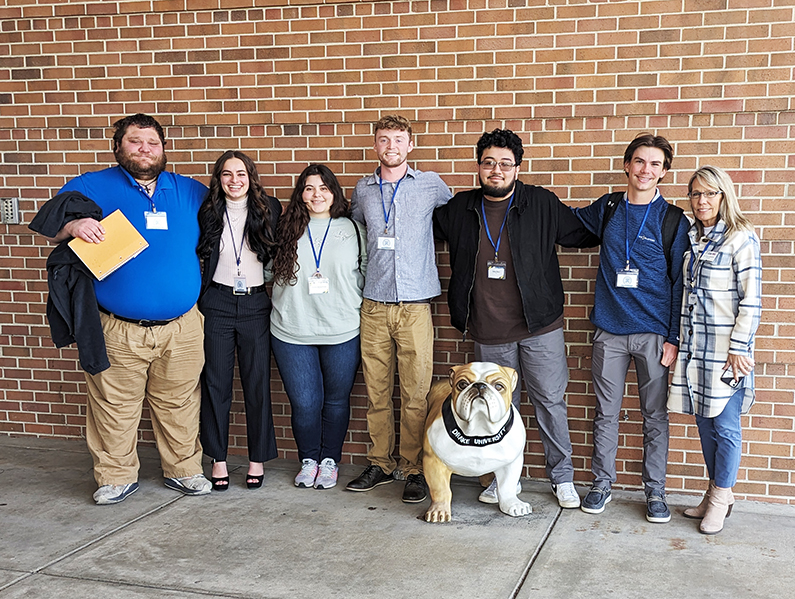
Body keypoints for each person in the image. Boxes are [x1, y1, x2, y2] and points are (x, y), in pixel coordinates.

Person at [30, 114, 211, 504]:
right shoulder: (90, 185)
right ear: (118, 147)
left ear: (164, 149)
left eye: (152, 142)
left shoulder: (191, 191)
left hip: (182, 327)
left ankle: (184, 469)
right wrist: (74, 226)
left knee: (179, 402)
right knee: (114, 405)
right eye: (135, 141)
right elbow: (50, 226)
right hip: (117, 326)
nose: (145, 149)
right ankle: (115, 476)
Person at [433, 129, 599, 509]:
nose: (496, 170)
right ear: (478, 166)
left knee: (550, 402)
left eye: (505, 164)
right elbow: (420, 226)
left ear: (517, 168)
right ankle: (500, 478)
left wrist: (619, 210)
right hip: (489, 331)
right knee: (495, 409)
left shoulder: (540, 203)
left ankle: (563, 477)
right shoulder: (460, 209)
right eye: (489, 162)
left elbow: (580, 232)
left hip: (540, 326)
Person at [574, 133, 690, 523]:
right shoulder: (607, 208)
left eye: (655, 164)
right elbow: (566, 223)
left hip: (654, 334)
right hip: (609, 330)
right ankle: (601, 483)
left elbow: (680, 284)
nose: (646, 170)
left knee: (654, 415)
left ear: (664, 172)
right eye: (640, 161)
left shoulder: (672, 219)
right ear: (627, 165)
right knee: (605, 413)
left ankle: (655, 491)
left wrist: (673, 338)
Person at [345, 115, 452, 503]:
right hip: (373, 305)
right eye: (383, 139)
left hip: (415, 306)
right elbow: (357, 231)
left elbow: (452, 221)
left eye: (398, 139)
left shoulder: (431, 185)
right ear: (375, 145)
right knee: (376, 391)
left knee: (415, 393)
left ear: (411, 145)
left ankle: (412, 468)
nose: (391, 145)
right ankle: (379, 462)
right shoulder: (363, 190)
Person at [668, 166, 762, 534]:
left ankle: (722, 497)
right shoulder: (694, 238)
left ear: (724, 196)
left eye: (710, 194)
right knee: (705, 426)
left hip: (728, 351)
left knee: (725, 427)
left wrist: (740, 346)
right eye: (695, 194)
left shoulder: (741, 238)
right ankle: (715, 492)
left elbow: (751, 301)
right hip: (696, 350)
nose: (702, 201)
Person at [270, 164, 367, 490]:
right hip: (292, 330)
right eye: (309, 188)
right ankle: (308, 459)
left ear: (334, 193)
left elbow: (366, 273)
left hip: (342, 330)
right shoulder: (286, 228)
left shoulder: (352, 229)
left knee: (337, 401)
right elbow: (269, 272)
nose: (317, 195)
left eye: (324, 188)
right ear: (300, 194)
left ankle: (330, 461)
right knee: (305, 403)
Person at [196, 151, 281, 491]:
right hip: (216, 301)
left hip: (256, 304)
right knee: (216, 384)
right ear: (218, 178)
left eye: (241, 173)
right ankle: (217, 459)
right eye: (227, 174)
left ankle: (256, 459)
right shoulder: (207, 211)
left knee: (257, 383)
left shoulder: (269, 208)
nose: (234, 180)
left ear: (251, 177)